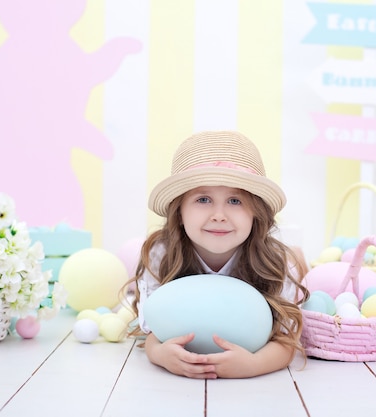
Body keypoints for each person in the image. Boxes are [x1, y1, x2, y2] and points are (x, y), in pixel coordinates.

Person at [126, 130, 309, 379]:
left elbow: (287, 341)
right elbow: (154, 332)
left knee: (297, 264)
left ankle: (304, 259)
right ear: (179, 212)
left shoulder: (275, 262)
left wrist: (253, 364)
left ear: (256, 212)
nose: (219, 215)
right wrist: (160, 355)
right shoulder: (162, 253)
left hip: (279, 257)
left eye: (235, 201)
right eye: (203, 199)